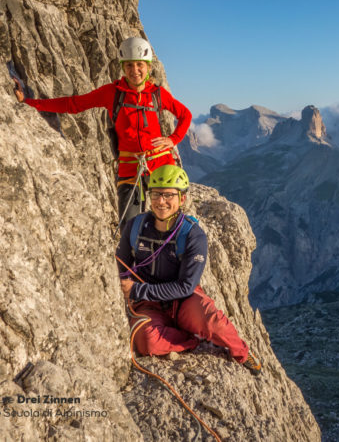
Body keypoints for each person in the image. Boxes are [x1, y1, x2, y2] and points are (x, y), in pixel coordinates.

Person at [14, 37, 192, 231]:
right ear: (123, 67)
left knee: (169, 221)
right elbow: (74, 104)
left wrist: (173, 139)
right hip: (130, 166)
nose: (135, 71)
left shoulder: (157, 94)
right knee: (129, 227)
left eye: (140, 65)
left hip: (160, 163)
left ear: (148, 67)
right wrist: (30, 102)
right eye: (129, 65)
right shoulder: (112, 93)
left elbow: (185, 115)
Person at [115, 164, 262, 375]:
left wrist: (137, 290)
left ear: (181, 199)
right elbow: (122, 264)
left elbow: (186, 286)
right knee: (147, 342)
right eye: (155, 194)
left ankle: (243, 353)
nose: (161, 201)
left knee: (215, 323)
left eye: (168, 195)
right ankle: (192, 339)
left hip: (182, 300)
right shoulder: (135, 227)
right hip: (150, 304)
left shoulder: (193, 235)